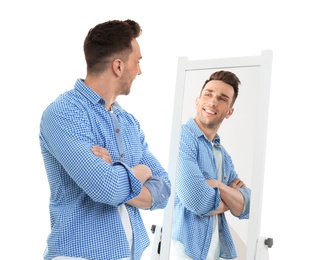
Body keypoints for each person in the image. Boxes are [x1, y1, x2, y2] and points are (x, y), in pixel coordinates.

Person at [39, 19, 171, 260]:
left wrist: (116, 173)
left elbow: (163, 189)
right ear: (119, 66)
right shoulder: (64, 113)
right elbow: (108, 189)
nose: (139, 71)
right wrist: (139, 171)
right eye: (137, 62)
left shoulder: (128, 122)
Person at [171, 70, 251, 260]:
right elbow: (198, 202)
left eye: (222, 98)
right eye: (208, 94)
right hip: (185, 251)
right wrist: (229, 199)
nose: (213, 101)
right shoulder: (182, 139)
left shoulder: (222, 154)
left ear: (229, 112)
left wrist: (217, 185)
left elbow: (247, 205)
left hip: (214, 252)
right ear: (197, 101)